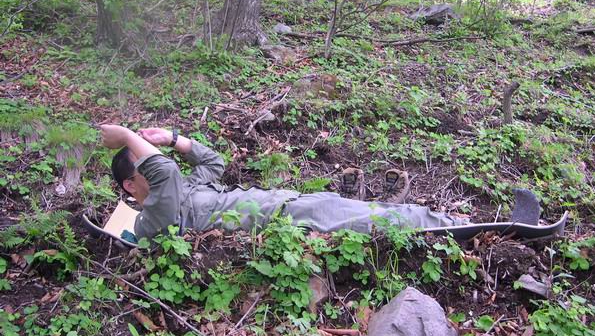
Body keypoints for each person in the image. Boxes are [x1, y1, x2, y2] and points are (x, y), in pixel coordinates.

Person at [101, 124, 473, 241]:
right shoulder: (152, 218)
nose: (154, 161)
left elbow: (214, 162)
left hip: (290, 202)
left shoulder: (184, 187)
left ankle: (430, 219)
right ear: (130, 186)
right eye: (145, 161)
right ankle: (454, 226)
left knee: (353, 209)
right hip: (284, 219)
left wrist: (171, 138)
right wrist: (127, 136)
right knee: (365, 220)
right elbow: (165, 172)